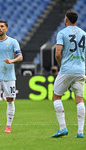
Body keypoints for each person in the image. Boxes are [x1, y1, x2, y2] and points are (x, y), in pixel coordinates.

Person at [52, 9, 86, 138]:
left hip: (67, 69)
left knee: (56, 97)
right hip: (80, 70)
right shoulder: (84, 33)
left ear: (66, 19)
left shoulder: (62, 33)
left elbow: (57, 53)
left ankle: (62, 128)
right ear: (76, 20)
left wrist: (61, 64)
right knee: (80, 100)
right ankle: (80, 132)